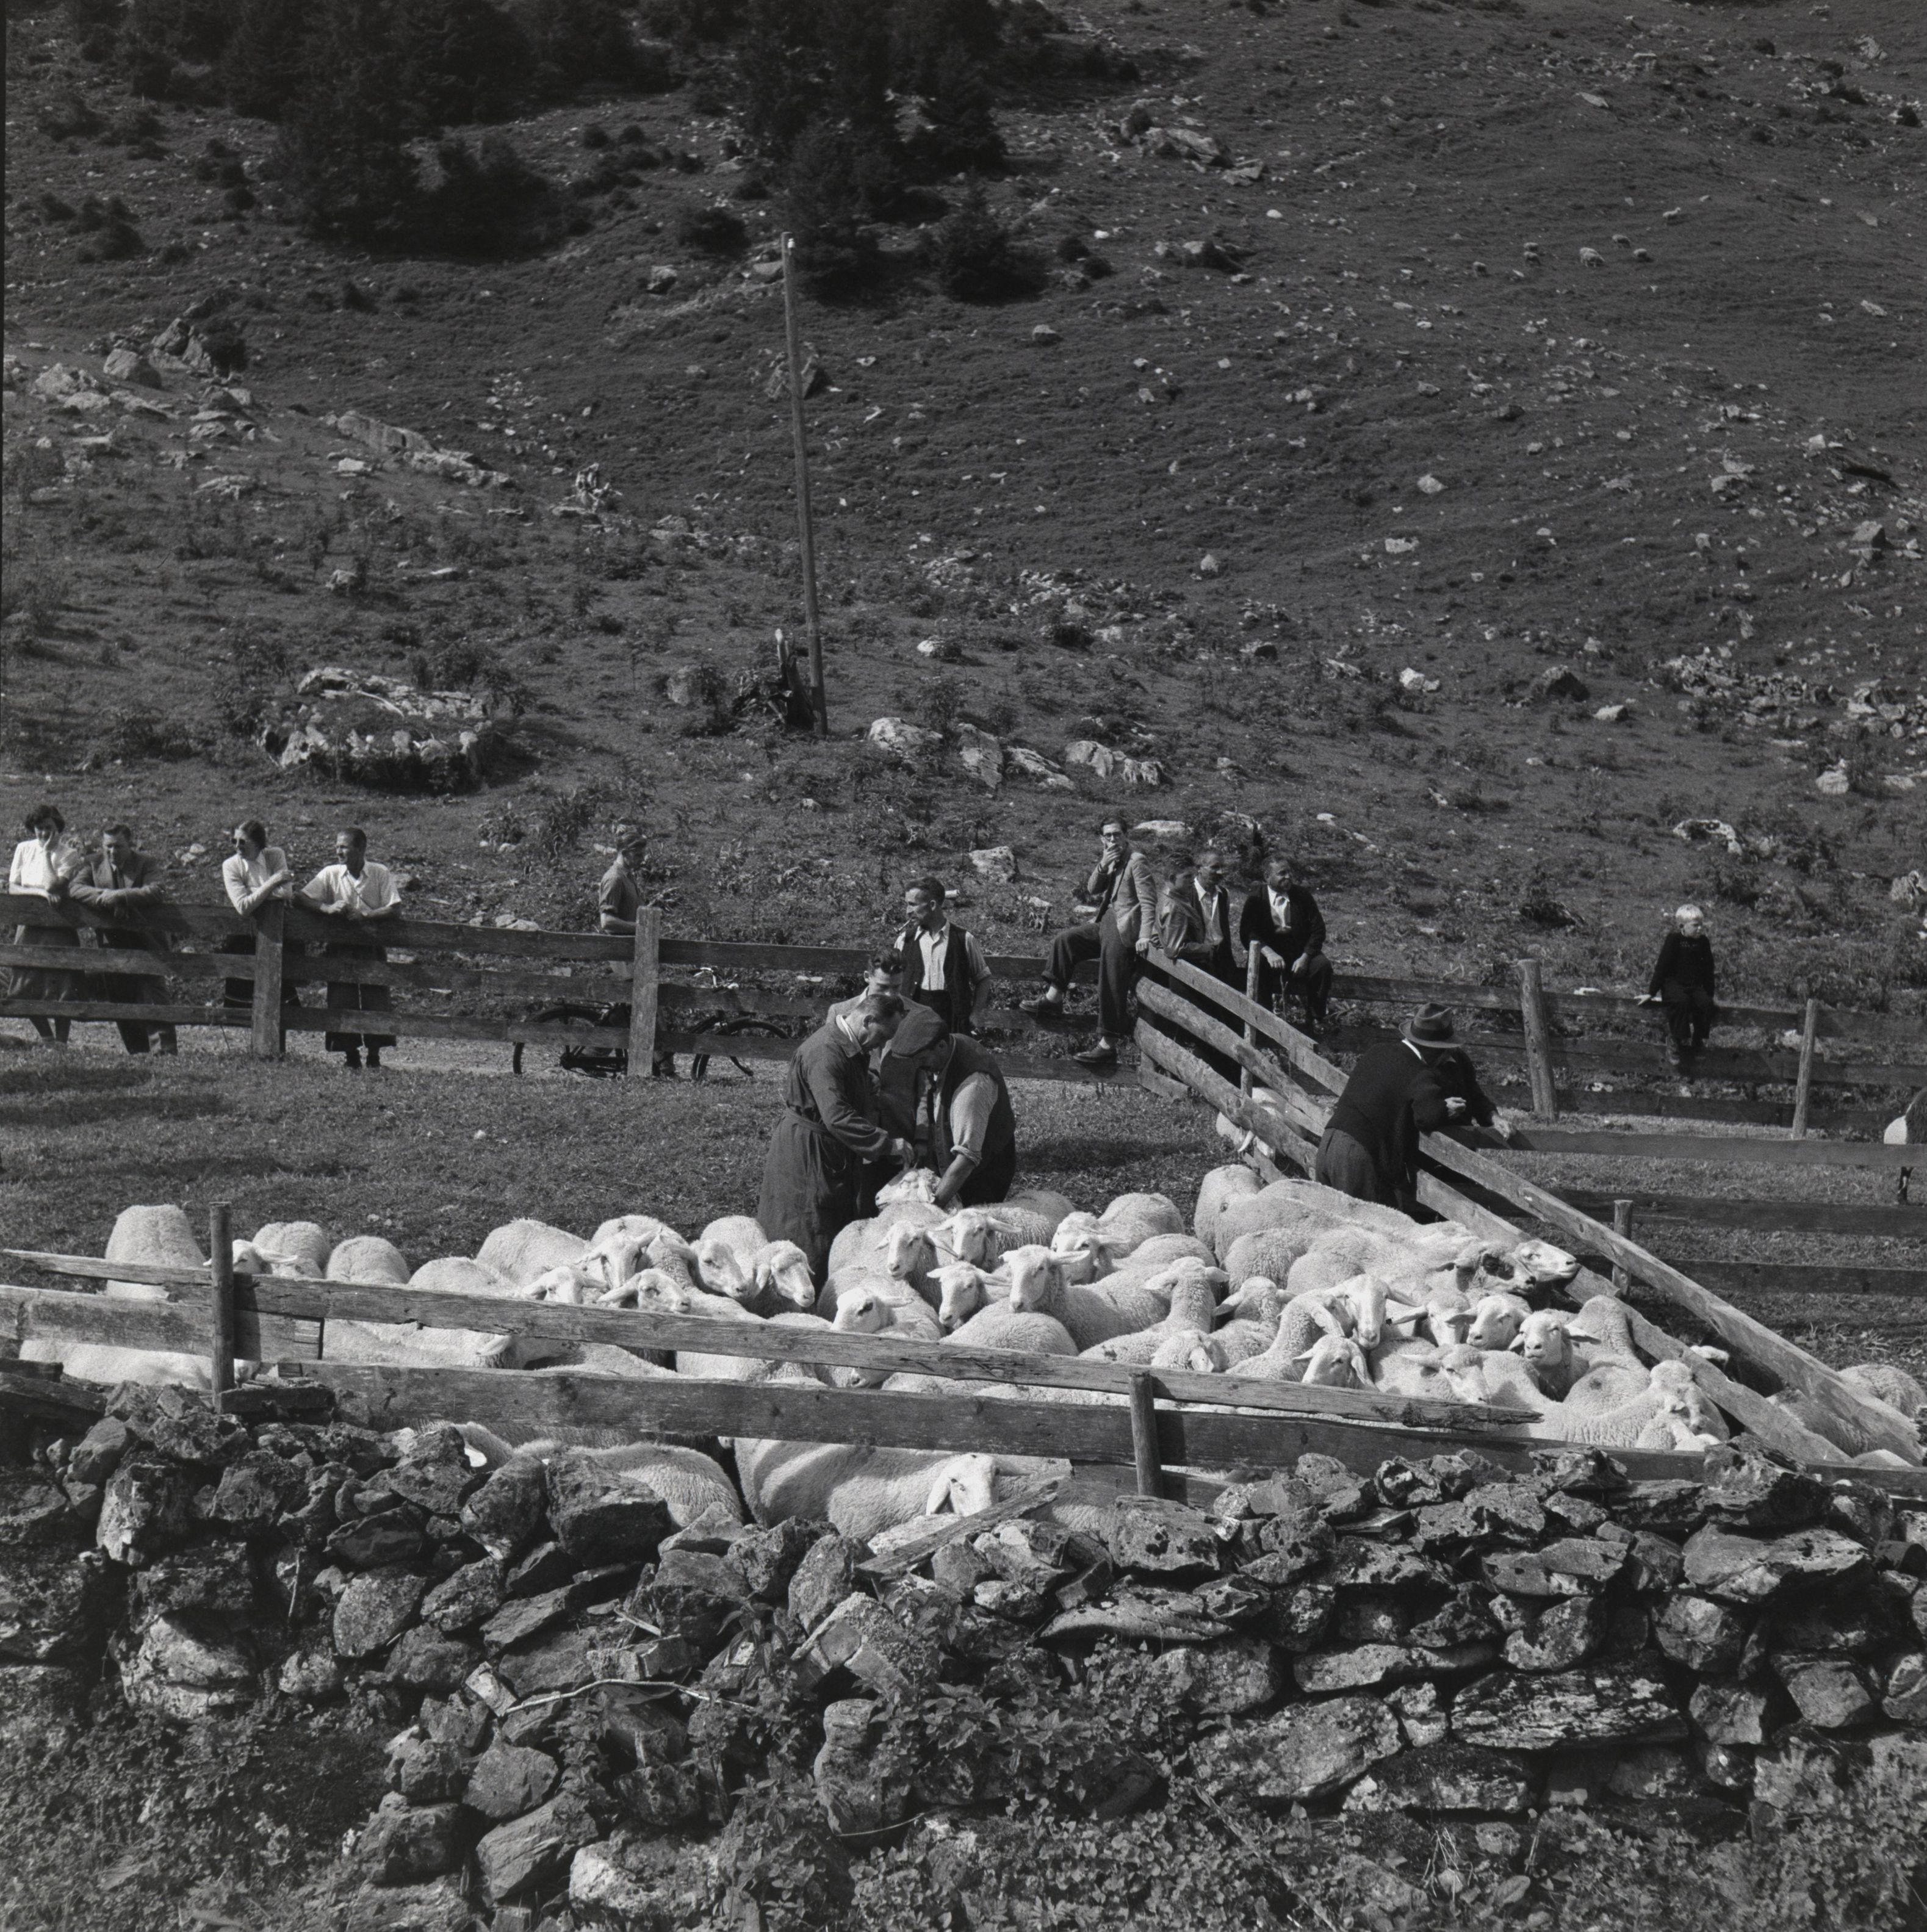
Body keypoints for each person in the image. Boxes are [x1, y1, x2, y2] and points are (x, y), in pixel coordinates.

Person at [756, 988, 913, 1276]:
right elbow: (837, 1115)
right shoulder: (826, 1051)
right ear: (867, 1021)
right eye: (883, 1036)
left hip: (827, 1149)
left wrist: (864, 1083)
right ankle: (801, 1294)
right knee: (808, 1226)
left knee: (827, 1220)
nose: (881, 1046)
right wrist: (886, 1144)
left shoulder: (849, 1048)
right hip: (808, 1152)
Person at [1316, 1004, 1505, 1213]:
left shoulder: (1377, 1052)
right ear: (1433, 1049)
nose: (1447, 1054)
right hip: (1357, 1157)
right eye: (1444, 1049)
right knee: (1363, 1223)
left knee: (1332, 1221)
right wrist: (1445, 1108)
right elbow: (1427, 1116)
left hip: (1329, 1143)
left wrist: (1491, 1116)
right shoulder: (1418, 1070)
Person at [1019, 818, 1159, 1069]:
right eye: (1108, 836)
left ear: (1126, 836)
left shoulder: (1136, 861)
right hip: (1106, 922)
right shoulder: (1111, 858)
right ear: (1102, 839)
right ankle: (1053, 998)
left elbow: (1149, 902)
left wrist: (1145, 935)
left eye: (1117, 835)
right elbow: (1093, 889)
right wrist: (1103, 864)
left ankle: (1107, 1045)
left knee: (1111, 977)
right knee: (1066, 941)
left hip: (1125, 929)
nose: (1113, 840)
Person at [883, 1003, 1017, 1209]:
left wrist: (933, 1208)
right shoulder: (947, 1050)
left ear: (941, 1046)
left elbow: (966, 1160)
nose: (918, 1066)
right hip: (957, 1164)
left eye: (922, 1058)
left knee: (967, 1223)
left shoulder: (972, 1086)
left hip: (980, 1176)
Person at [61, 823, 176, 1055]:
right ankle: (138, 1053)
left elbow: (157, 890)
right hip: (111, 943)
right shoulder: (94, 863)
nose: (112, 852)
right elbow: (75, 888)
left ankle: (165, 1053)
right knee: (121, 998)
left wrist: (121, 897)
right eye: (108, 847)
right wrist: (104, 897)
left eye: (118, 847)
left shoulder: (145, 863)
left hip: (145, 942)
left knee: (154, 996)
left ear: (130, 844)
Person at [299, 827, 400, 1070]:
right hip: (340, 947)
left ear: (361, 849)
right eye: (337, 846)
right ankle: (351, 1056)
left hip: (371, 945)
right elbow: (300, 898)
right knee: (341, 997)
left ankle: (374, 1056)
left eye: (344, 847)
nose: (339, 852)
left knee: (376, 998)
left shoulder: (379, 873)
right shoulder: (331, 874)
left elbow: (394, 908)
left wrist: (366, 916)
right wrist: (326, 908)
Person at [6, 802, 82, 1045]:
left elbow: (53, 885)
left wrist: (48, 854)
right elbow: (13, 887)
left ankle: (61, 1042)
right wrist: (40, 894)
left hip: (59, 927)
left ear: (57, 827)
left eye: (49, 827)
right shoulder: (24, 849)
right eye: (39, 827)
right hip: (29, 927)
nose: (43, 833)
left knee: (62, 985)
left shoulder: (69, 854)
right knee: (23, 986)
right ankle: (47, 1037)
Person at [1239, 851, 1334, 1034]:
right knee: (1258, 967)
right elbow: (1247, 932)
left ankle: (1316, 1018)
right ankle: (1264, 1022)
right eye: (1282, 873)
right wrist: (1268, 953)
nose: (1288, 877)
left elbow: (1318, 930)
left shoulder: (1302, 896)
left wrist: (1306, 957)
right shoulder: (1256, 898)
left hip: (1298, 952)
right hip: (1270, 954)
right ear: (1267, 877)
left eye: (1290, 872)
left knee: (1322, 966)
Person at [892, 875, 993, 1037]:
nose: (908, 911)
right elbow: (891, 981)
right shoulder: (904, 940)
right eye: (907, 904)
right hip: (913, 1022)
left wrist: (975, 1014)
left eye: (913, 904)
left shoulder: (964, 939)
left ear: (932, 905)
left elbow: (983, 979)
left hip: (952, 1022)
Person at [220, 820, 303, 1013]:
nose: (237, 847)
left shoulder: (275, 856)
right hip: (243, 937)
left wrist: (252, 893)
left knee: (279, 995)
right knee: (241, 1001)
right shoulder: (231, 865)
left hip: (275, 934)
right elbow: (243, 907)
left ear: (258, 843)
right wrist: (273, 881)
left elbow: (286, 893)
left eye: (243, 842)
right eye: (234, 841)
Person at [1644, 904, 1716, 1070]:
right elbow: (1662, 967)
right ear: (1682, 926)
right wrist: (1651, 992)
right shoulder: (1674, 940)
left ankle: (1698, 1040)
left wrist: (1709, 995)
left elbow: (1708, 970)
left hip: (1694, 985)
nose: (1700, 929)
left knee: (1706, 1004)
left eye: (1701, 925)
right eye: (1695, 926)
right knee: (1681, 1002)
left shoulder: (1703, 943)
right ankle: (1676, 1040)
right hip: (1673, 984)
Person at [596, 823, 649, 938]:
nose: (642, 860)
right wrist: (641, 928)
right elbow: (607, 922)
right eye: (638, 855)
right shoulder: (615, 878)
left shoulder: (628, 876)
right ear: (625, 853)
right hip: (619, 947)